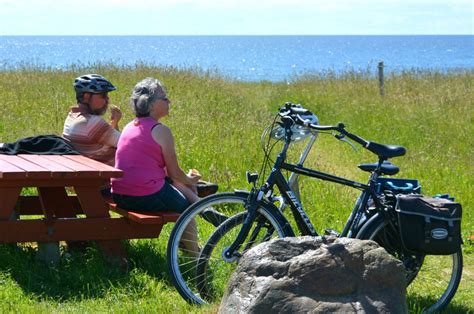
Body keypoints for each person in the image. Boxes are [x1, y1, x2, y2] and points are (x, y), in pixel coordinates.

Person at [63, 74, 122, 167]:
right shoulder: (91, 122)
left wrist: (114, 122)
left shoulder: (72, 117)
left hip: (88, 171)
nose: (107, 100)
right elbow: (126, 144)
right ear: (86, 96)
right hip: (105, 176)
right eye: (103, 96)